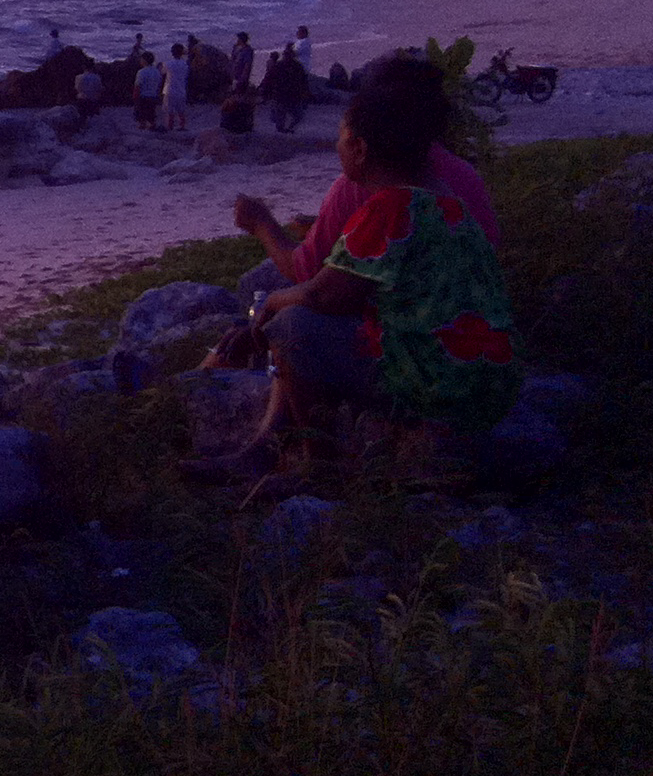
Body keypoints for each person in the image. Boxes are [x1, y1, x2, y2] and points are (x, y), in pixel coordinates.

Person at [185, 82, 522, 482]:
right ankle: (273, 450)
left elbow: (320, 293)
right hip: (488, 381)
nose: (337, 148)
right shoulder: (449, 205)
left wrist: (269, 305)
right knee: (308, 324)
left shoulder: (391, 206)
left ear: (360, 151)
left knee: (295, 327)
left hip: (442, 386)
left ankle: (317, 468)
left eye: (341, 139)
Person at [233, 55, 499, 289]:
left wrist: (260, 222)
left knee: (267, 298)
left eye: (341, 136)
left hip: (411, 337)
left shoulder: (376, 199)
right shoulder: (459, 178)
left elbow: (314, 284)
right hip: (468, 325)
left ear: (361, 147)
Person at [260, 48, 311, 134]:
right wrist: (266, 91)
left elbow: (303, 81)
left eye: (288, 55)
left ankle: (287, 129)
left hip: (291, 95)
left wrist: (305, 93)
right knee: (284, 116)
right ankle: (284, 130)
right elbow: (268, 79)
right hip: (282, 95)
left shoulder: (296, 66)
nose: (287, 57)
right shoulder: (281, 66)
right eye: (286, 55)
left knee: (297, 116)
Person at [162, 42, 190, 132]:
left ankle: (170, 127)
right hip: (181, 90)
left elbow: (162, 72)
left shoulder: (169, 64)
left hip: (169, 89)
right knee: (181, 111)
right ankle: (182, 126)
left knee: (170, 111)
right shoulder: (185, 64)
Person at [133, 52, 165, 130]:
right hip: (153, 95)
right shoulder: (157, 71)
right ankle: (152, 125)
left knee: (141, 113)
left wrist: (135, 97)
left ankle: (142, 126)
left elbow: (137, 85)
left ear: (144, 60)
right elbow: (159, 84)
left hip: (143, 96)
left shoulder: (141, 72)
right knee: (151, 112)